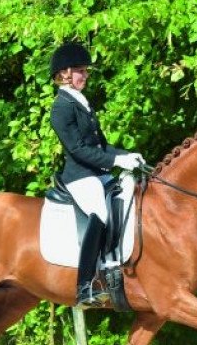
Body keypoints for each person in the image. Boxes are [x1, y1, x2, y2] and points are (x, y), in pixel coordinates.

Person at [49, 41, 144, 307]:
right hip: (79, 176)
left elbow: (100, 146)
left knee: (128, 194)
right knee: (99, 213)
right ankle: (84, 286)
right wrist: (116, 160)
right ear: (65, 73)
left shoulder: (82, 102)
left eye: (85, 71)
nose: (86, 75)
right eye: (81, 70)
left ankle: (115, 266)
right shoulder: (61, 107)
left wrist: (127, 155)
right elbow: (78, 150)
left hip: (97, 173)